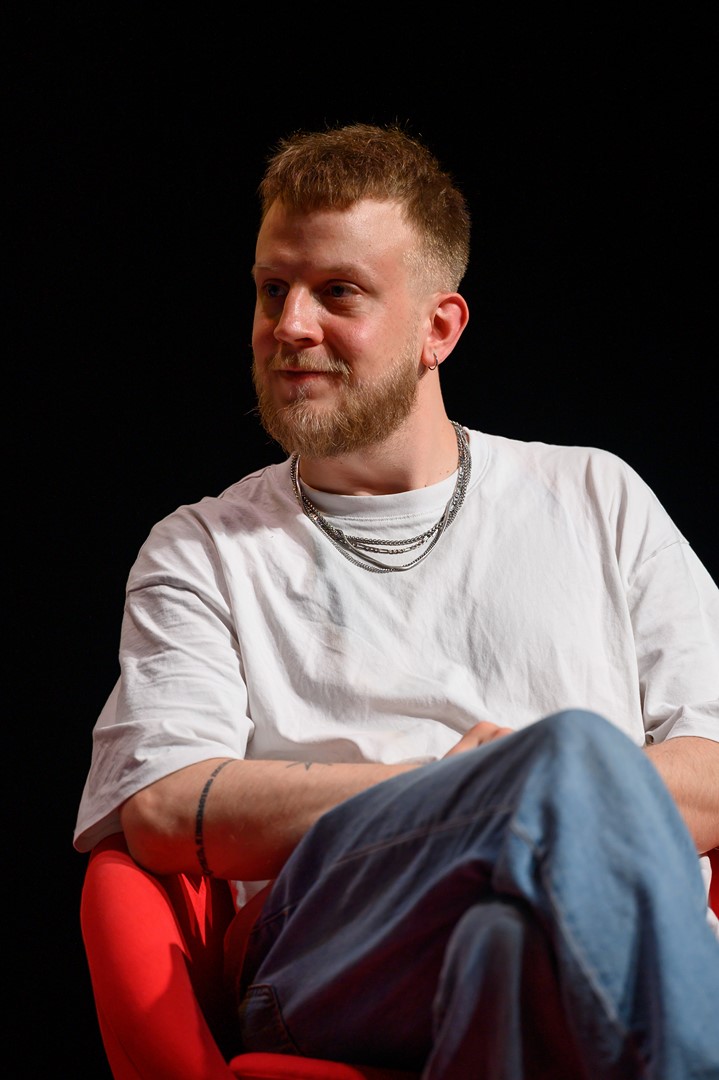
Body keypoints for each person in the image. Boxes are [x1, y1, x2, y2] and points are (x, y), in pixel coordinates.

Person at [74, 122, 719, 1078]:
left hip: (569, 942)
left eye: (337, 292)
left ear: (438, 329)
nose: (290, 325)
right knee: (568, 755)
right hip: (332, 959)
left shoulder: (596, 495)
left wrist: (522, 797)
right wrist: (460, 791)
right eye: (272, 289)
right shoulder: (201, 548)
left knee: (503, 946)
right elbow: (163, 805)